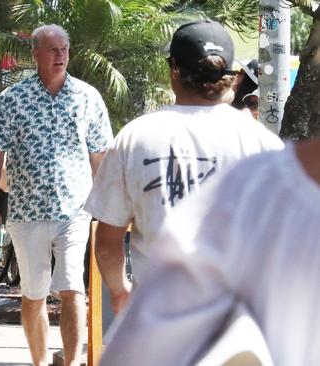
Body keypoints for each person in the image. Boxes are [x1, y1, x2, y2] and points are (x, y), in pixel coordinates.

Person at [84, 20, 284, 315]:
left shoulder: (136, 137)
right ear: (233, 76)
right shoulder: (264, 145)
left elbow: (107, 242)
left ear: (173, 68)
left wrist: (119, 291)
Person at [99, 138, 320, 365]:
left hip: (168, 310)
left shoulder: (254, 186)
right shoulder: (262, 145)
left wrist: (118, 290)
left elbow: (139, 355)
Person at [0, 24, 114, 366]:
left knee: (73, 289)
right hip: (26, 211)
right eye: (52, 50)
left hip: (74, 208)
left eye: (64, 50)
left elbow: (99, 155)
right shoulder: (14, 98)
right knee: (34, 293)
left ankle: (71, 363)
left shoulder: (88, 97)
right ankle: (39, 363)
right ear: (35, 54)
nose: (59, 56)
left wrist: (111, 203)